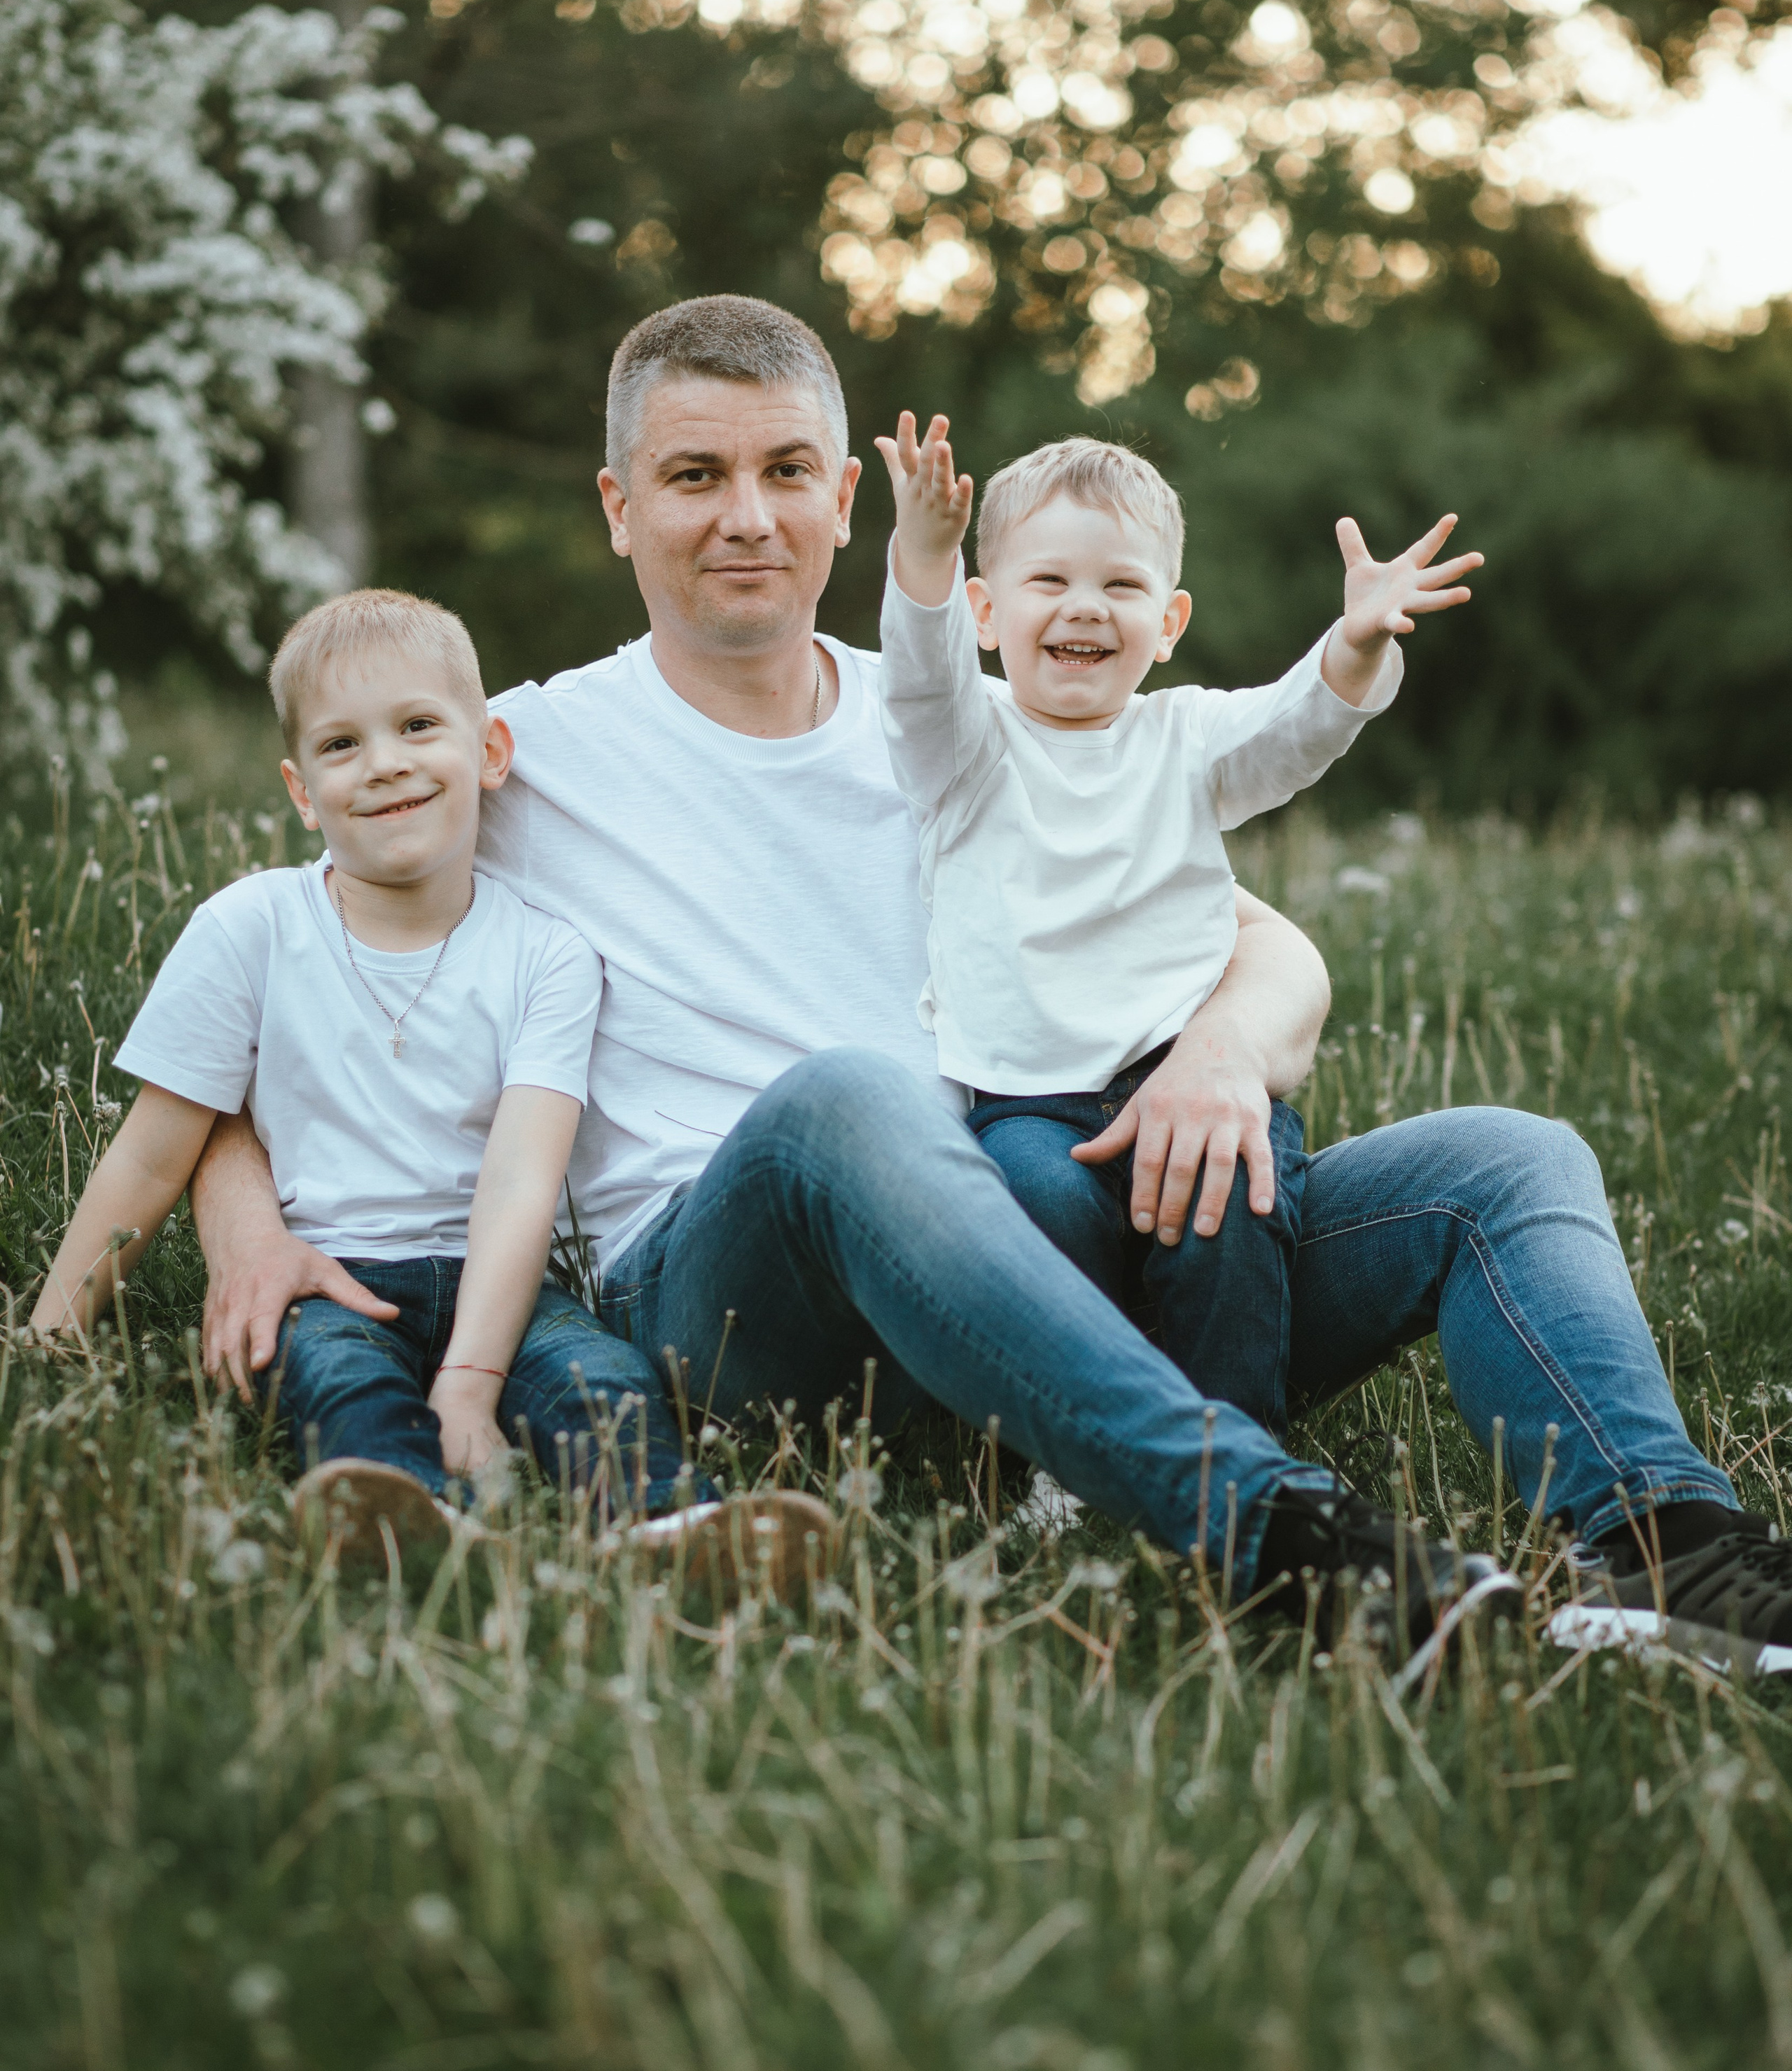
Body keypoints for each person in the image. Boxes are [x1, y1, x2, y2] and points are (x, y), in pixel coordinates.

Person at [190, 295, 1788, 1675]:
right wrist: (251, 1231)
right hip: (746, 1297)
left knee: (1509, 1159)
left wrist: (1220, 1051)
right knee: (854, 1098)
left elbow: (1264, 942)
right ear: (619, 508)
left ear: (846, 503)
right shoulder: (515, 755)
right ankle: (1273, 1530)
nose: (745, 515)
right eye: (693, 476)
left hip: (1061, 1237)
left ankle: (1671, 1545)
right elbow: (257, 997)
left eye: (786, 472)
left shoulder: (977, 718)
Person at [34, 587, 827, 1578]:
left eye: (417, 725)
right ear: (301, 791)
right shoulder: (251, 929)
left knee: (603, 1380)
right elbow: (153, 1157)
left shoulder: (548, 955)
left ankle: (670, 1525)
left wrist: (473, 1378)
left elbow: (523, 1181)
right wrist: (53, 1333)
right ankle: (401, 1509)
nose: (384, 763)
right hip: (330, 1273)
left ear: (490, 751)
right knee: (338, 1376)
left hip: (500, 1278)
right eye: (342, 744)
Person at [874, 412, 1476, 1436]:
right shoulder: (966, 747)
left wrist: (1354, 643)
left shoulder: (1186, 736)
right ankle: (1073, 1453)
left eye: (1122, 585)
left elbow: (1294, 727)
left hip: (1185, 1071)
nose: (1085, 606)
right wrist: (925, 557)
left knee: (1225, 1208)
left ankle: (1232, 1461)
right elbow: (920, 685)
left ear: (1169, 621)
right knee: (1033, 1215)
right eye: (1049, 580)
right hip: (1028, 1101)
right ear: (985, 612)